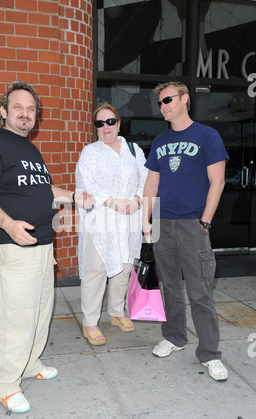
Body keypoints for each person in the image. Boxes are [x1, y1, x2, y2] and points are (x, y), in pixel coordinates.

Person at [0, 81, 94, 413]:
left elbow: (44, 190)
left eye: (30, 109)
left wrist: (75, 196)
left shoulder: (30, 150)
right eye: (18, 107)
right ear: (3, 111)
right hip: (12, 245)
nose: (25, 114)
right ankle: (5, 383)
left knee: (39, 312)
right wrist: (8, 223)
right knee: (17, 318)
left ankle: (29, 364)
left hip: (41, 245)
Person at [143, 82, 229, 382]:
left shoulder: (208, 135)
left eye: (167, 99)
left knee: (200, 291)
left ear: (184, 100)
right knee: (169, 287)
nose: (163, 105)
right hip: (163, 225)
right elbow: (151, 184)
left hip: (193, 224)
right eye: (160, 102)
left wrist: (204, 221)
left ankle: (209, 353)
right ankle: (175, 337)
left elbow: (217, 182)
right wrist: (147, 221)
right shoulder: (159, 141)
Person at [75, 103, 148, 345]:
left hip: (129, 219)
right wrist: (113, 202)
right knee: (96, 271)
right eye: (99, 123)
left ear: (118, 123)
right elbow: (88, 183)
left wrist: (137, 200)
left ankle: (117, 312)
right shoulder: (90, 152)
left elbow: (145, 178)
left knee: (124, 268)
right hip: (101, 221)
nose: (105, 127)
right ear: (95, 128)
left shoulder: (133, 149)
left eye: (110, 121)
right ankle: (90, 322)